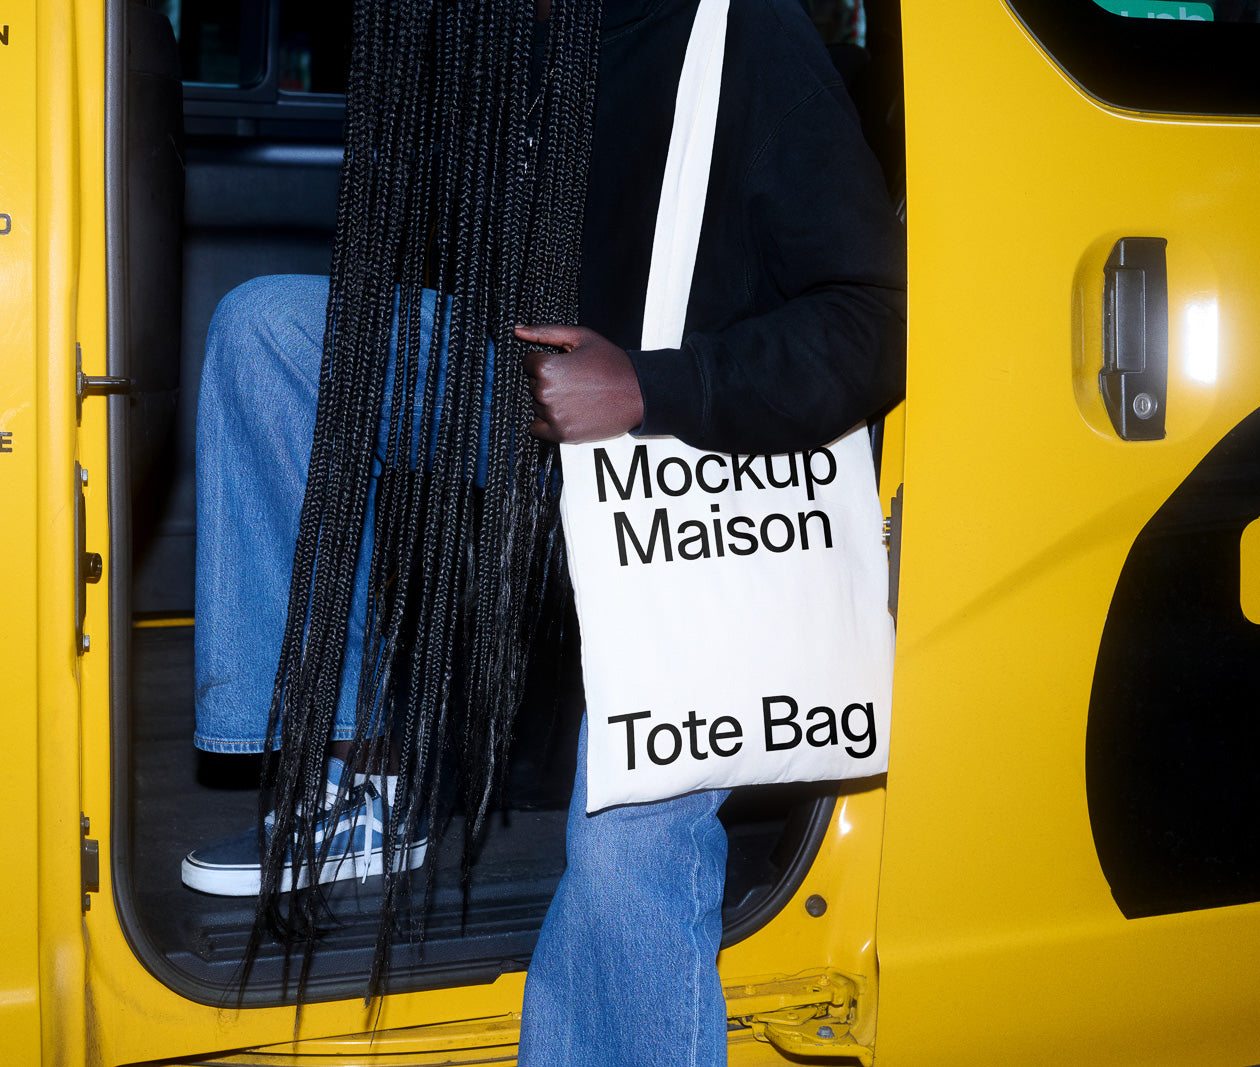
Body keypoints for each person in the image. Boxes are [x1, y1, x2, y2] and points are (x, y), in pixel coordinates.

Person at [186, 0, 905, 1063]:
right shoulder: (504, 39)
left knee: (625, 852)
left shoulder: (742, 30)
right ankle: (355, 771)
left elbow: (873, 323)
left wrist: (653, 386)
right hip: (537, 404)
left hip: (699, 472)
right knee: (271, 333)